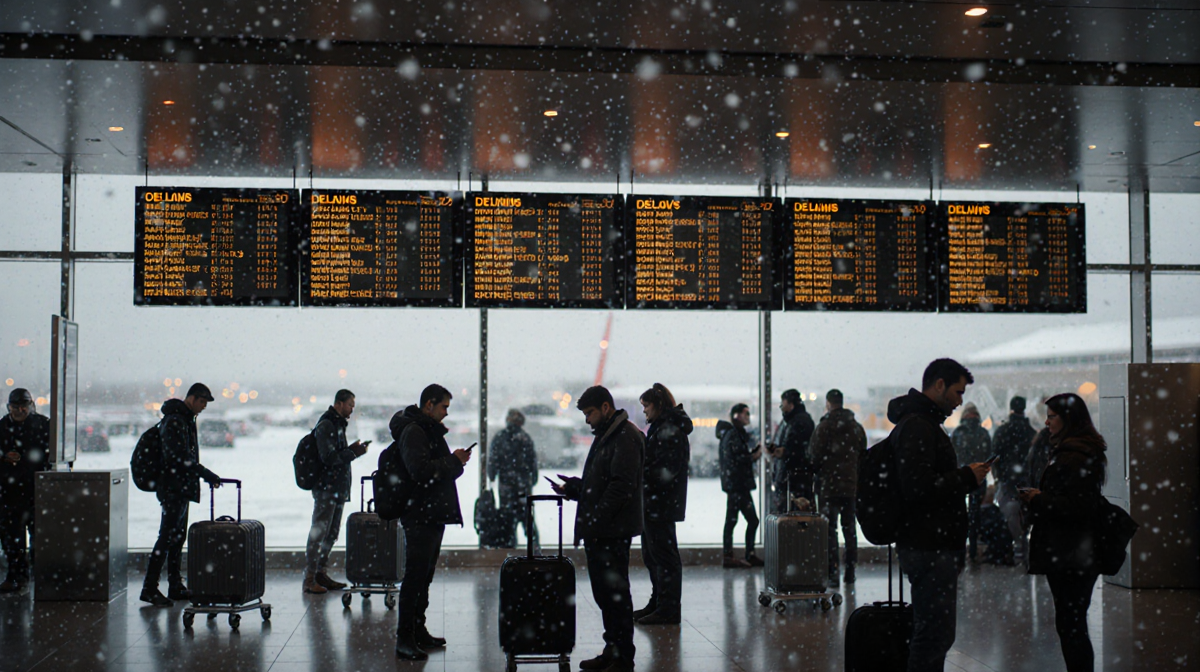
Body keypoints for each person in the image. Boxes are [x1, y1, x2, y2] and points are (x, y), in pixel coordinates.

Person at [889, 359, 991, 672]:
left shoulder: (922, 422)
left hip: (928, 544)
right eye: (958, 392)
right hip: (929, 546)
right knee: (935, 634)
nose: (960, 400)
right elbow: (918, 487)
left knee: (933, 632)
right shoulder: (919, 425)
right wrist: (965, 478)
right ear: (939, 385)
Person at [550, 385, 644, 672]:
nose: (587, 420)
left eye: (589, 413)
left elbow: (620, 488)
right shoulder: (610, 434)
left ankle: (621, 657)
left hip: (611, 532)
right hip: (604, 530)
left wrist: (596, 519)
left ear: (605, 407)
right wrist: (576, 488)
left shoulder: (625, 436)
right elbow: (603, 484)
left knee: (615, 595)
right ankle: (612, 651)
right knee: (607, 595)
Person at [1019, 393, 1108, 672]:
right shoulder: (1081, 450)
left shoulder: (1073, 455)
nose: (1046, 422)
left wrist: (1037, 498)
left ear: (1068, 419)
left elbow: (1076, 505)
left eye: (1052, 416)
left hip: (1069, 550)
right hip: (1077, 549)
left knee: (1070, 624)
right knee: (1073, 622)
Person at [390, 384, 471, 660]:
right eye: (444, 407)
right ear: (428, 405)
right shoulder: (415, 431)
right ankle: (405, 638)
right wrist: (454, 461)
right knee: (415, 576)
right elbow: (421, 471)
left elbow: (436, 471)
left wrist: (455, 463)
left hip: (430, 513)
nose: (446, 413)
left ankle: (417, 630)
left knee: (424, 576)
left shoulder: (426, 430)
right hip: (420, 514)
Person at [141, 383, 222, 607]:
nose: (204, 407)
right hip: (172, 488)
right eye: (203, 402)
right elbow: (178, 458)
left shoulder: (184, 419)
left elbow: (184, 458)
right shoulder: (176, 420)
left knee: (176, 538)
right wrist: (205, 473)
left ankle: (174, 585)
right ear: (193, 398)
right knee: (166, 538)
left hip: (180, 487)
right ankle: (149, 587)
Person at [633, 383, 691, 626]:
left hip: (660, 505)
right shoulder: (663, 428)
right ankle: (659, 603)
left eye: (646, 406)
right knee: (654, 555)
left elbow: (664, 471)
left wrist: (643, 475)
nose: (644, 411)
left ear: (658, 405)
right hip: (656, 504)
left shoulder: (669, 431)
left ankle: (667, 608)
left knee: (663, 558)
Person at [303, 389, 369, 594]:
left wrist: (350, 451)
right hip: (327, 489)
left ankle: (320, 574)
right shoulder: (327, 425)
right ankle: (310, 578)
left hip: (336, 489)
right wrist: (353, 453)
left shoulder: (337, 425)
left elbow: (336, 455)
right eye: (350, 405)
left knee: (330, 534)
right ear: (339, 404)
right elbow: (329, 458)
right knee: (320, 533)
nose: (351, 410)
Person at [807, 388, 867, 585]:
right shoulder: (856, 427)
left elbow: (814, 455)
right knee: (850, 529)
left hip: (828, 487)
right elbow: (863, 455)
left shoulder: (824, 427)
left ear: (828, 403)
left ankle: (832, 572)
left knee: (829, 530)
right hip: (850, 486)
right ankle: (850, 571)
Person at [0, 389, 50, 592]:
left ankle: (28, 577)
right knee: (13, 538)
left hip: (29, 488)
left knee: (34, 536)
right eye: (16, 407)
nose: (20, 410)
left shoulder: (41, 424)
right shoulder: (40, 424)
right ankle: (19, 576)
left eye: (23, 407)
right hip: (15, 489)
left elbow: (50, 455)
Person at [991, 396, 1038, 566]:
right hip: (1025, 481)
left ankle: (1014, 547)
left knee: (1009, 514)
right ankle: (1024, 547)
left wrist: (998, 476)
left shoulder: (1002, 431)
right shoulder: (1031, 432)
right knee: (1025, 514)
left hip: (1007, 481)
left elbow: (994, 455)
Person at [716, 403, 763, 569]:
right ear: (737, 415)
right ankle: (744, 555)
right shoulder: (734, 435)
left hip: (735, 485)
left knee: (733, 520)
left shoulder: (730, 434)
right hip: (738, 485)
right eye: (746, 414)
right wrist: (754, 456)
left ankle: (731, 556)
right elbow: (738, 459)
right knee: (750, 520)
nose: (748, 417)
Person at [487, 408, 539, 549]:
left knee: (507, 519)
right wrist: (531, 480)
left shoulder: (500, 437)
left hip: (506, 486)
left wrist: (492, 476)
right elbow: (532, 463)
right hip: (523, 486)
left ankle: (509, 548)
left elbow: (493, 461)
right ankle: (534, 548)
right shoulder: (525, 438)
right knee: (527, 518)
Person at [951, 402, 992, 563]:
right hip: (978, 478)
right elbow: (989, 454)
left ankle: (960, 550)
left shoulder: (957, 433)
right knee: (975, 515)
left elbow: (952, 456)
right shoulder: (983, 433)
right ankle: (973, 550)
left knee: (960, 515)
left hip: (960, 477)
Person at [766, 389, 815, 513]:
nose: (781, 407)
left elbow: (799, 449)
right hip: (793, 477)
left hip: (795, 478)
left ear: (791, 404)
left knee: (795, 515)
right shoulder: (792, 421)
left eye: (783, 403)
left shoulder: (799, 422)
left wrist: (784, 452)